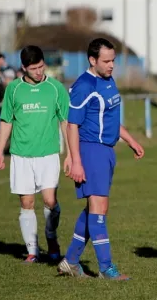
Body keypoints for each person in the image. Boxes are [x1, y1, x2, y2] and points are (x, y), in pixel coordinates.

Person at [58, 38, 144, 280]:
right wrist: (75, 161)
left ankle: (71, 261)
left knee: (93, 209)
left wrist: (131, 140)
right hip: (90, 150)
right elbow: (72, 126)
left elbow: (112, 120)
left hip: (107, 150)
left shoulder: (108, 80)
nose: (111, 65)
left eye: (113, 60)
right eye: (106, 61)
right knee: (99, 208)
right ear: (92, 60)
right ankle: (106, 268)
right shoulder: (84, 85)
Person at [0, 45, 71, 263]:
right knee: (27, 203)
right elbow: (6, 120)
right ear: (23, 68)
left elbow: (66, 122)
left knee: (50, 200)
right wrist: (0, 151)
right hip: (21, 155)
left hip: (48, 154)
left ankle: (51, 237)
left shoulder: (56, 88)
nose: (39, 72)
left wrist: (71, 155)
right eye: (33, 68)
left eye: (41, 66)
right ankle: (32, 250)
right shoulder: (14, 89)